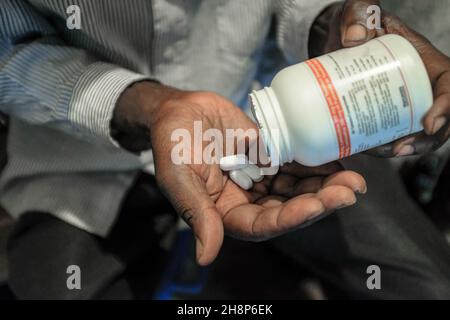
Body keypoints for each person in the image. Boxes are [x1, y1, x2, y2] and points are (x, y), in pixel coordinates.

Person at [0, 0, 449, 299]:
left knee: (430, 284)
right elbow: (9, 52)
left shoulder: (302, 152)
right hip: (79, 159)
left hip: (258, 121)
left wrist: (325, 25)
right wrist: (151, 107)